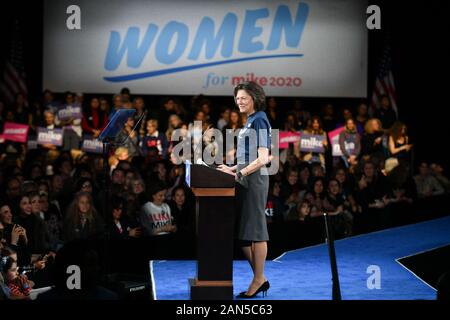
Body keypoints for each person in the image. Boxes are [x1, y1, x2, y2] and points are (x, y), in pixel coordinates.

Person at [218, 82, 271, 298]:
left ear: (255, 98)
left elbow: (263, 158)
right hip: (244, 178)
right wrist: (231, 168)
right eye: (237, 98)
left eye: (243, 98)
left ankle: (258, 279)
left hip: (255, 181)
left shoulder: (259, 119)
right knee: (244, 234)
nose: (239, 101)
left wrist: (239, 173)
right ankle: (261, 278)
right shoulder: (250, 120)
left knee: (256, 232)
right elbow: (247, 155)